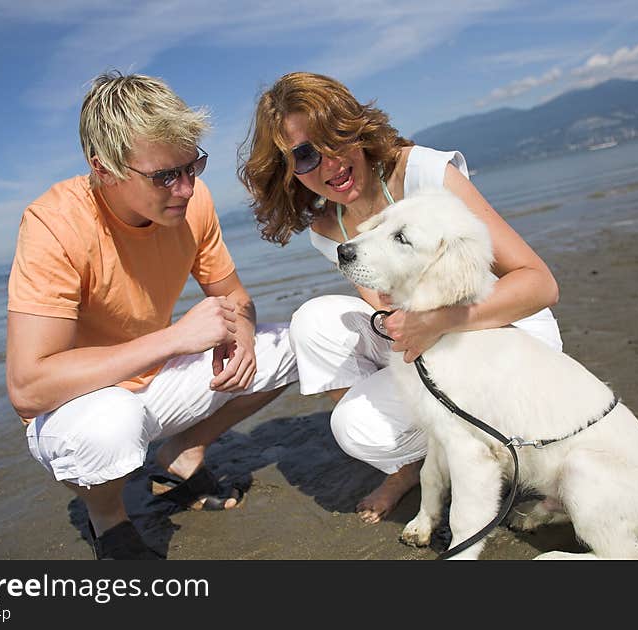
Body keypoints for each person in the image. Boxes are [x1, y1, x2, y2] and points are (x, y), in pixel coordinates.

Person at [239, 72, 561, 524]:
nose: (330, 163)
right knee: (314, 329)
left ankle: (490, 454)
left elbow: (539, 284)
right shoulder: (329, 230)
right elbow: (387, 310)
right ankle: (415, 465)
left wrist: (438, 322)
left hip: (508, 326)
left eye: (334, 138)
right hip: (437, 338)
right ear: (288, 169)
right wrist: (414, 326)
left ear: (356, 127)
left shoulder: (422, 172)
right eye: (307, 155)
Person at [6, 72, 298, 560]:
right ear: (105, 170)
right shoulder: (54, 225)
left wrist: (242, 333)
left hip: (155, 383)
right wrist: (173, 339)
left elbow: (237, 299)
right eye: (165, 175)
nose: (185, 188)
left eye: (193, 165)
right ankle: (108, 517)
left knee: (297, 342)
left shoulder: (192, 202)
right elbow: (29, 386)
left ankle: (183, 449)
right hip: (75, 406)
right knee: (112, 423)